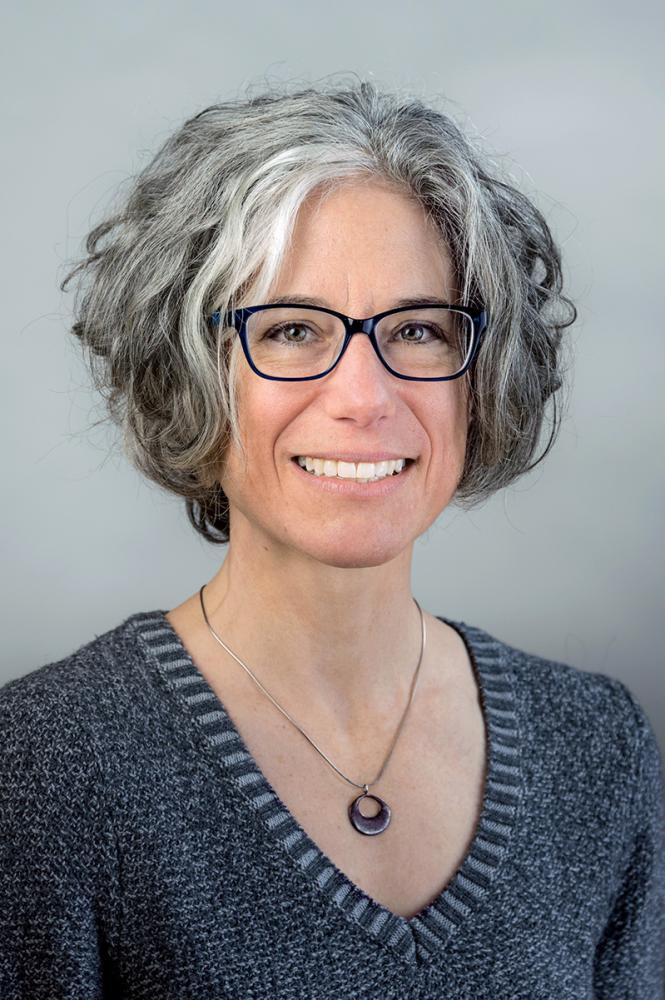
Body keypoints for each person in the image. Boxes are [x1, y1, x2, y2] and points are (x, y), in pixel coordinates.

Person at [1, 77, 663, 998]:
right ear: (187, 371)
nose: (362, 396)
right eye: (291, 329)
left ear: (482, 376)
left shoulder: (597, 749)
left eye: (421, 330)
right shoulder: (43, 768)